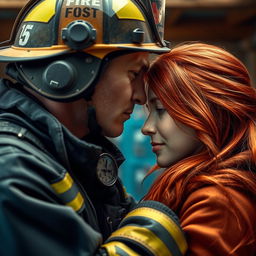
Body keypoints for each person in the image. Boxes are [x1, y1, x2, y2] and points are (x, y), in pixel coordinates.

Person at [0, 0, 188, 255]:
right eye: (134, 74)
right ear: (73, 72)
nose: (140, 97)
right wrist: (158, 225)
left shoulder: (63, 156)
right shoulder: (13, 174)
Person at [142, 42, 256, 255]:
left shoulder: (219, 201)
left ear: (208, 111)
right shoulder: (201, 189)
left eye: (160, 110)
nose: (146, 128)